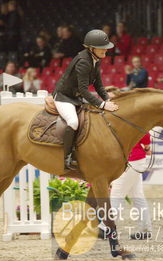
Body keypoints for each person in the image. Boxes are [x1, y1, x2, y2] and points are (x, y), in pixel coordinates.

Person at [52, 29, 118, 170]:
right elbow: (83, 90)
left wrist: (107, 99)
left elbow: (98, 84)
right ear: (91, 48)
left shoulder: (95, 59)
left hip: (75, 97)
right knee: (73, 122)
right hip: (64, 97)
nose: (105, 52)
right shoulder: (83, 62)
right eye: (102, 49)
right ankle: (67, 158)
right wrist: (102, 104)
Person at [110, 131, 152, 240]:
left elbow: (145, 134)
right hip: (136, 159)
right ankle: (145, 229)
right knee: (137, 195)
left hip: (131, 160)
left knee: (116, 194)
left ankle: (106, 228)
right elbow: (146, 136)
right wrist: (147, 148)